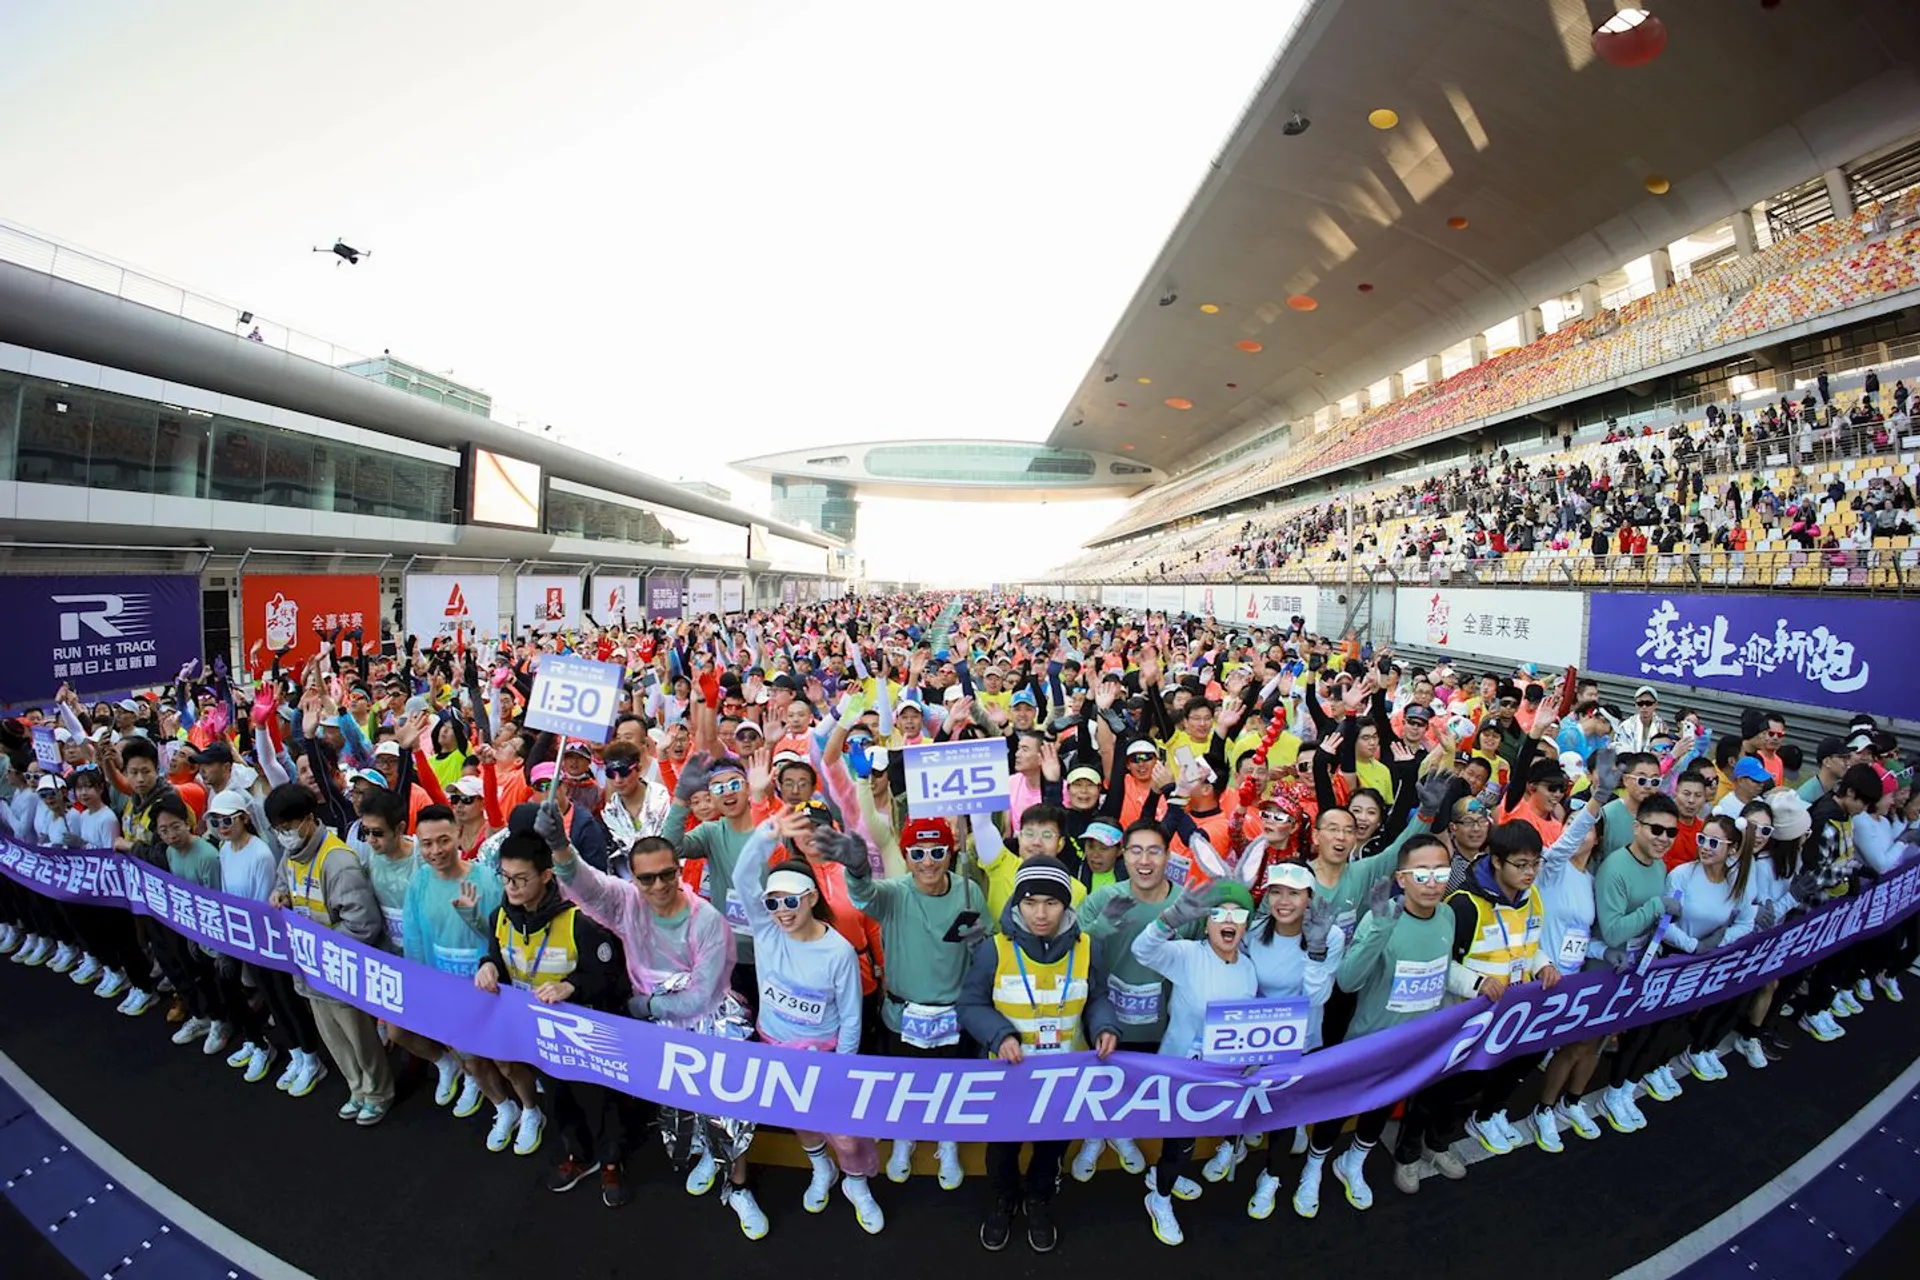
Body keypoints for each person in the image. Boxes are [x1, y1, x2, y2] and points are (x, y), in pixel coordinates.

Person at [543, 800, 750, 1228]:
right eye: (647, 878)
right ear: (634, 880)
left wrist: (645, 1005)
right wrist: (560, 846)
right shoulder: (627, 903)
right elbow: (587, 885)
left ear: (680, 869)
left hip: (707, 1022)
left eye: (667, 874)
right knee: (681, 1101)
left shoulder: (707, 920)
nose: (658, 886)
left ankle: (739, 1183)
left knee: (728, 1106)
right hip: (658, 1028)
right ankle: (706, 1155)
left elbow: (701, 997)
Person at [960, 854, 1121, 1253]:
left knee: (1051, 1148)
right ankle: (1004, 1199)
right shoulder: (994, 949)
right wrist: (999, 1035)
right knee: (1003, 1148)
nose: (1040, 913)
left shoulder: (1087, 948)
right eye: (1030, 903)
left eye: (1051, 902)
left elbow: (1098, 996)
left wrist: (1104, 1026)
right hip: (1007, 1077)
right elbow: (970, 1004)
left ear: (1066, 904)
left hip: (1065, 1076)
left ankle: (1038, 1199)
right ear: (1017, 904)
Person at [734, 809, 882, 1234]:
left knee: (848, 1132)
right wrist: (769, 833)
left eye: (790, 901)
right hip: (777, 1049)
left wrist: (844, 1065)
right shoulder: (766, 932)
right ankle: (821, 1169)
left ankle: (857, 1185)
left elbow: (852, 1016)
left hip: (828, 1055)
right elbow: (746, 875)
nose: (781, 911)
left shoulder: (837, 951)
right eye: (772, 903)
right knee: (802, 1119)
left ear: (812, 898)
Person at [822, 814, 982, 1191]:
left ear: (951, 852)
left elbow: (978, 945)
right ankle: (904, 1137)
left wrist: (977, 941)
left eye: (938, 851)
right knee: (904, 1083)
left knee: (950, 1083)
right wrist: (858, 867)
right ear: (907, 856)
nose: (928, 861)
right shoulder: (893, 893)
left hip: (952, 1014)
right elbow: (862, 895)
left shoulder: (969, 892)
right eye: (918, 852)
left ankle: (948, 1139)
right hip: (903, 1012)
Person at [1301, 836, 1456, 1215]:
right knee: (1340, 1109)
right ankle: (1314, 1166)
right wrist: (1379, 930)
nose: (1433, 881)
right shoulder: (1380, 915)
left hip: (1413, 1046)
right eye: (1422, 873)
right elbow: (1349, 980)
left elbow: (1442, 975)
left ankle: (1353, 1162)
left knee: (1381, 1110)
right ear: (1402, 878)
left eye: (1441, 872)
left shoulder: (1448, 916)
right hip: (1368, 1043)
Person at [473, 833, 632, 1196]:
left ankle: (611, 1161)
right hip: (538, 1034)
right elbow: (497, 956)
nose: (511, 887)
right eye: (505, 877)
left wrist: (571, 986)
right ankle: (577, 1155)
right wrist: (488, 966)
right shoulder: (501, 917)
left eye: (520, 879)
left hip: (584, 1034)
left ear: (546, 876)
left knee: (602, 1102)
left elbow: (613, 980)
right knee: (559, 1098)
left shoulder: (580, 922)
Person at [1131, 881, 1259, 1245]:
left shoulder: (1248, 969)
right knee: (1180, 1144)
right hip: (1180, 1073)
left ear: (1246, 924)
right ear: (1206, 923)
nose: (1228, 921)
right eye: (1218, 914)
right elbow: (1143, 950)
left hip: (1219, 1076)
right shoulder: (1188, 954)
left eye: (1238, 915)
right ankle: (1159, 1199)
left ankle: (1160, 1178)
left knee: (1191, 1139)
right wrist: (1167, 920)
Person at [265, 783, 393, 1117]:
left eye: (289, 827)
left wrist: (322, 945)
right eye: (278, 829)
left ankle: (378, 1093)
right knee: (334, 1037)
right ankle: (356, 1088)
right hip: (309, 968)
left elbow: (364, 924)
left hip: (337, 967)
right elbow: (283, 883)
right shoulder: (292, 854)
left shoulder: (337, 861)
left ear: (308, 820)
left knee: (360, 1038)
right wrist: (280, 895)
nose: (284, 835)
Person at [1438, 821, 1557, 1174]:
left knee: (1513, 1065)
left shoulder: (1533, 897)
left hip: (1513, 1014)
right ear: (1495, 861)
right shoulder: (1462, 905)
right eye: (1521, 864)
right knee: (1453, 1086)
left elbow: (1528, 947)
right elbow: (1438, 965)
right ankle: (1433, 1143)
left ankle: (1487, 1115)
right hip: (1466, 1020)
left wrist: (1544, 965)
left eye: (1536, 863)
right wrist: (1476, 984)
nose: (1530, 873)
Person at [1072, 818, 1184, 1180]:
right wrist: (1102, 927)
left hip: (1161, 1024)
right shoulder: (1103, 898)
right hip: (1107, 1019)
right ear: (1124, 854)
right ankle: (1096, 1135)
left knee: (1142, 1086)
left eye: (1154, 851)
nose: (1145, 860)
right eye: (1136, 851)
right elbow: (1075, 953)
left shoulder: (1184, 904)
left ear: (1168, 856)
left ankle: (1122, 1132)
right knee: (1103, 1081)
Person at [1242, 861, 1343, 1218]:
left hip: (1304, 1041)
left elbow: (1317, 997)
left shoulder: (1330, 935)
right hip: (1260, 1041)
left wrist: (1315, 952)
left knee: (1286, 1112)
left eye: (1294, 893)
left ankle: (1272, 1176)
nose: (1283, 901)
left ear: (1310, 898)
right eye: (1276, 891)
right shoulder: (1253, 933)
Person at [1594, 793, 1685, 1131]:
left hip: (1637, 967)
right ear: (1637, 827)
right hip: (1605, 968)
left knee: (1630, 1034)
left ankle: (1617, 1092)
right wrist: (1657, 907)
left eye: (1670, 833)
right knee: (1586, 1045)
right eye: (1656, 830)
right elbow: (1613, 931)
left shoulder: (1659, 865)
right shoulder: (1615, 867)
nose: (1663, 839)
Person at [1666, 813, 1758, 1081]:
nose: (1705, 846)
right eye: (1702, 839)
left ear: (1732, 848)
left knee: (1680, 1020)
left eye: (1715, 842)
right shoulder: (1682, 875)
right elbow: (1663, 923)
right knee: (1656, 1024)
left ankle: (1659, 1065)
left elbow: (1746, 922)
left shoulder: (1735, 882)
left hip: (1705, 962)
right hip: (1674, 958)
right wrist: (1693, 945)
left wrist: (1719, 941)